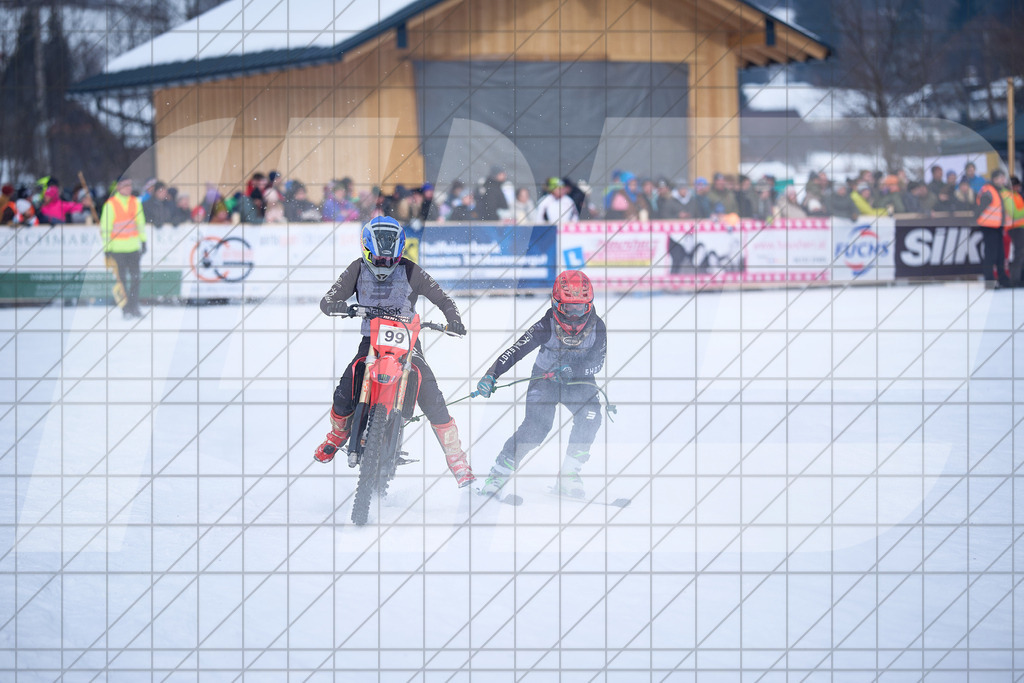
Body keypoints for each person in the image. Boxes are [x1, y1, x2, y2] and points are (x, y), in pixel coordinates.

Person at [313, 216, 474, 486]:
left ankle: (457, 459)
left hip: (408, 344)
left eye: (390, 261)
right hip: (372, 342)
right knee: (344, 389)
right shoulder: (356, 269)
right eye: (378, 260)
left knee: (432, 396)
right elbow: (329, 297)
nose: (383, 265)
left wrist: (453, 319)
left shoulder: (411, 270)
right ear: (366, 251)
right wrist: (335, 305)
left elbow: (443, 299)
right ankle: (337, 435)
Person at [474, 269, 606, 499]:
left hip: (580, 381)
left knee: (591, 416)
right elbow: (516, 350)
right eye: (569, 308)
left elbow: (597, 364)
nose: (574, 316)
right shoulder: (546, 324)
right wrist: (491, 375)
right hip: (544, 379)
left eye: (580, 308)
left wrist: (571, 371)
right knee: (536, 428)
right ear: (556, 304)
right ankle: (498, 474)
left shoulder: (598, 327)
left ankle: (569, 474)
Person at [100, 177, 148, 318]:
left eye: (130, 185)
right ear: (118, 187)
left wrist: (143, 241)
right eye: (125, 185)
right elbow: (106, 228)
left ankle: (134, 306)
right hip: (117, 249)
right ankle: (126, 309)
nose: (128, 188)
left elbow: (140, 223)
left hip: (133, 247)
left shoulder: (135, 202)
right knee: (122, 281)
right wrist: (107, 248)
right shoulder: (110, 204)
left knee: (135, 278)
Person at [975, 170, 1011, 287]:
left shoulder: (997, 190)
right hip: (989, 227)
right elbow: (979, 208)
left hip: (997, 227)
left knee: (1000, 255)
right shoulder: (988, 190)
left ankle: (1003, 279)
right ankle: (989, 282)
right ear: (995, 179)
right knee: (991, 255)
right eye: (1001, 178)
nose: (1003, 181)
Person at [1008, 176, 1024, 287]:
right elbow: (1014, 214)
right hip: (1015, 228)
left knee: (1020, 254)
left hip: (1020, 227)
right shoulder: (1010, 197)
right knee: (1018, 254)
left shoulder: (1017, 196)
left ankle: (1019, 277)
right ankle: (1015, 279)